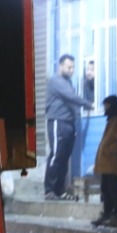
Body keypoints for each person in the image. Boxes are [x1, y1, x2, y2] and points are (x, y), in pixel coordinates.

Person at [43, 53, 93, 199]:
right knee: (56, 156)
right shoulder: (55, 81)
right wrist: (88, 104)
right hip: (58, 122)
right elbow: (71, 97)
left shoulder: (68, 82)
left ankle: (60, 190)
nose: (71, 70)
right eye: (69, 67)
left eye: (73, 68)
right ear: (60, 66)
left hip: (68, 123)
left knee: (64, 158)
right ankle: (49, 190)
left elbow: (71, 103)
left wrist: (77, 116)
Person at [91, 95, 117, 229]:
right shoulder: (112, 120)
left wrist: (107, 151)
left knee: (114, 190)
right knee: (105, 190)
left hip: (112, 162)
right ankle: (107, 214)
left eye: (107, 105)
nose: (105, 109)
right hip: (106, 163)